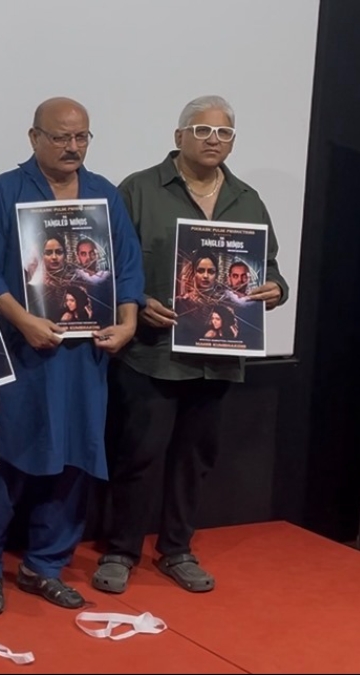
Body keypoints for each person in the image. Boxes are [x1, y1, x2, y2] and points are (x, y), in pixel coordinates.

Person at [94, 95, 288, 596]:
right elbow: (107, 266)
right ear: (179, 136)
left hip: (217, 357)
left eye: (223, 133)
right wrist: (139, 301)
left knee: (195, 458)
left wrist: (276, 289)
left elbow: (269, 268)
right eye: (202, 131)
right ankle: (121, 549)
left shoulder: (247, 199)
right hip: (152, 352)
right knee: (139, 454)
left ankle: (177, 548)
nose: (212, 141)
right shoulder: (138, 190)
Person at [0, 97, 145, 614]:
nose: (73, 147)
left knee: (75, 458)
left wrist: (129, 322)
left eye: (81, 137)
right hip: (23, 351)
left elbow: (127, 267)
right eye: (61, 136)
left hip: (84, 356)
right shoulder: (5, 190)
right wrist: (22, 319)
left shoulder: (104, 194)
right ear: (34, 137)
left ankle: (44, 566)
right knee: (4, 459)